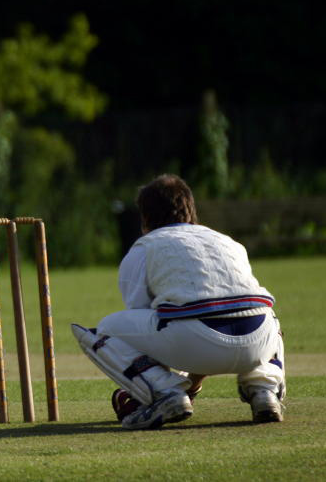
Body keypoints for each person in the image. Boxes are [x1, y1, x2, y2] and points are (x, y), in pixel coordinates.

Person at [72, 174, 285, 430]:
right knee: (267, 314)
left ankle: (165, 393)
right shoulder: (227, 241)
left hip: (195, 339)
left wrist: (166, 379)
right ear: (191, 209)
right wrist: (194, 380)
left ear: (145, 218)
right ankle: (264, 390)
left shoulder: (145, 246)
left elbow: (143, 317)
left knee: (106, 329)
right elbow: (222, 308)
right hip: (259, 341)